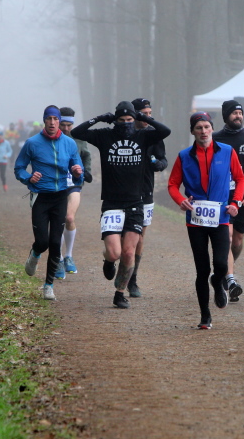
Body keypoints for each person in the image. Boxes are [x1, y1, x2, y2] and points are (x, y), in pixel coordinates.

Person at [71, 101, 170, 309]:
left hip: (136, 202)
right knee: (114, 253)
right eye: (121, 120)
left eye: (129, 120)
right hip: (112, 203)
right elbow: (77, 132)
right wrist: (99, 118)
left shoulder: (143, 136)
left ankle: (119, 293)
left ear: (135, 119)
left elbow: (165, 131)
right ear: (115, 120)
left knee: (128, 252)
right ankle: (108, 261)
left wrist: (144, 118)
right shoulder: (105, 136)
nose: (126, 124)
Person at [168, 112, 244, 329]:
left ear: (212, 128)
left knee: (220, 264)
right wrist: (181, 200)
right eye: (199, 128)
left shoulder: (227, 151)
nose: (203, 131)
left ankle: (218, 281)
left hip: (220, 217)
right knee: (202, 270)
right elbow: (172, 184)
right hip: (196, 219)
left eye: (206, 127)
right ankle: (205, 316)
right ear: (192, 131)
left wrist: (236, 202)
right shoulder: (184, 156)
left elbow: (240, 178)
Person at [14, 105, 83, 300]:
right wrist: (29, 178)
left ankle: (48, 285)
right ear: (44, 120)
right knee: (43, 241)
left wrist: (77, 172)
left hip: (60, 196)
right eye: (49, 119)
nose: (52, 122)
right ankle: (35, 253)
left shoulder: (69, 144)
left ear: (59, 121)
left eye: (55, 119)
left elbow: (78, 170)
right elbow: (19, 168)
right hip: (40, 197)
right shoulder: (32, 143)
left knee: (55, 243)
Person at [212, 99, 244, 302]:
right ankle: (230, 280)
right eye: (234, 113)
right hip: (222, 198)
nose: (238, 116)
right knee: (226, 236)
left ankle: (224, 270)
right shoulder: (215, 138)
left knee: (237, 240)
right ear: (226, 116)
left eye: (240, 113)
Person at [124, 97, 167, 298]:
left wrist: (158, 164)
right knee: (122, 237)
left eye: (150, 113)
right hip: (123, 191)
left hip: (145, 191)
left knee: (140, 236)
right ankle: (114, 260)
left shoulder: (153, 134)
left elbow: (163, 159)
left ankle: (133, 279)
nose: (148, 117)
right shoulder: (123, 132)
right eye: (144, 114)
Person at [54, 106, 93, 279]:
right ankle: (58, 259)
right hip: (55, 185)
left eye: (69, 125)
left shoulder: (79, 138)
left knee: (69, 218)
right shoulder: (50, 138)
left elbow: (86, 155)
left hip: (74, 184)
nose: (66, 128)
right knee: (58, 222)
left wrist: (87, 171)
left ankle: (68, 256)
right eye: (63, 124)